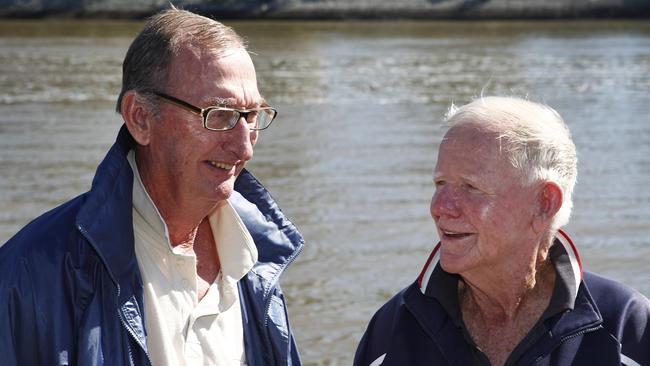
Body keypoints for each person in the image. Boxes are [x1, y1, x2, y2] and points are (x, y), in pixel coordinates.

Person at [0, 7, 304, 366]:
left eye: (251, 116)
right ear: (140, 118)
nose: (244, 146)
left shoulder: (259, 260)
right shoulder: (28, 276)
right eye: (218, 114)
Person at [354, 96, 650, 366]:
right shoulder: (393, 328)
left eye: (471, 187)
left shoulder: (626, 328)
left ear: (543, 204)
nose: (440, 207)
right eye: (440, 184)